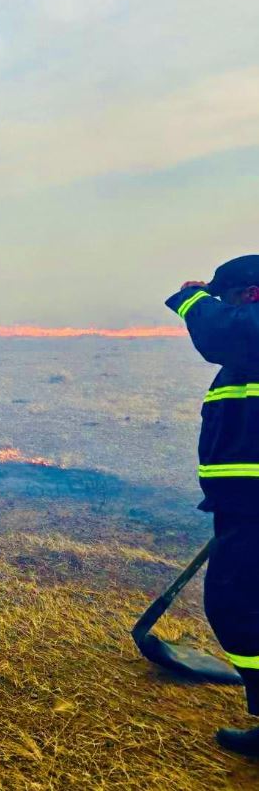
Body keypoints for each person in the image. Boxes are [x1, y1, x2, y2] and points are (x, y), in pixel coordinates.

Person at [166, 255, 259, 757]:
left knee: (236, 605)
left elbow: (222, 332)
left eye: (229, 297)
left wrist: (193, 296)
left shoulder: (247, 333)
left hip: (253, 507)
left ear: (251, 294)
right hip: (244, 504)